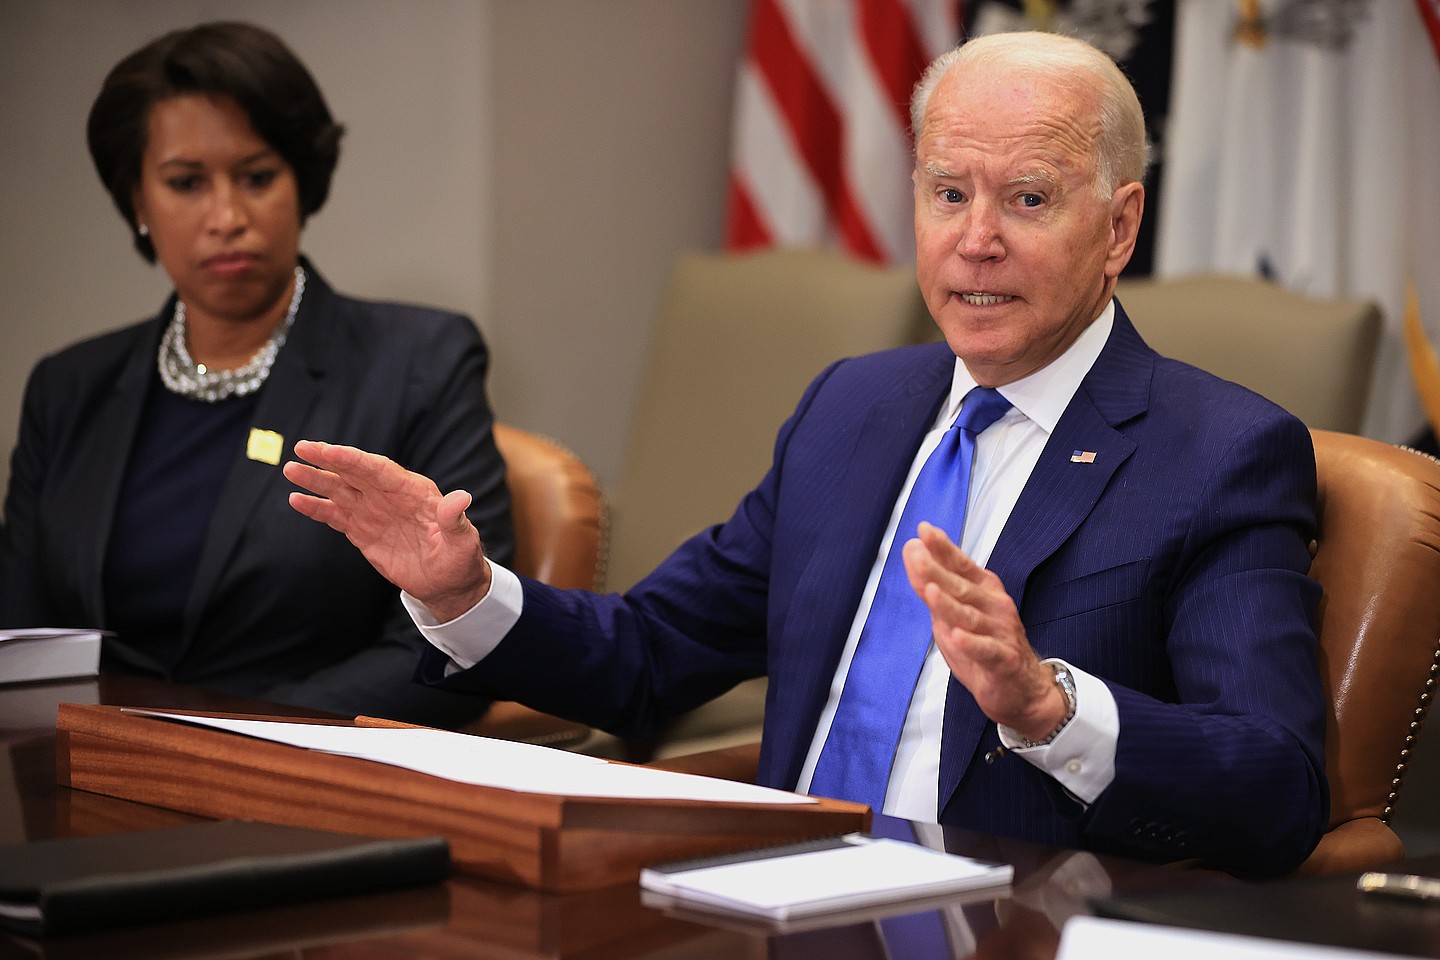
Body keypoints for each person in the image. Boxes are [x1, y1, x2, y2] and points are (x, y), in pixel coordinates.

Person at [283, 31, 1328, 875]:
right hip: (772, 899)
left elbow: (1278, 792)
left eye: (1029, 199)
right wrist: (466, 594)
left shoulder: (1223, 454)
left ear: (1118, 227)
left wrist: (1049, 708)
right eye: (948, 191)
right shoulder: (854, 407)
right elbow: (650, 656)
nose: (975, 239)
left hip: (1009, 925)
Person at [0, 21, 514, 728]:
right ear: (139, 204)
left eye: (258, 177)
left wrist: (221, 744)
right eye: (186, 183)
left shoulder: (420, 362)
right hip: (81, 774)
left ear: (303, 185)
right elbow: (22, 643)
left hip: (304, 784)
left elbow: (455, 646)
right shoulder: (67, 388)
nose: (227, 217)